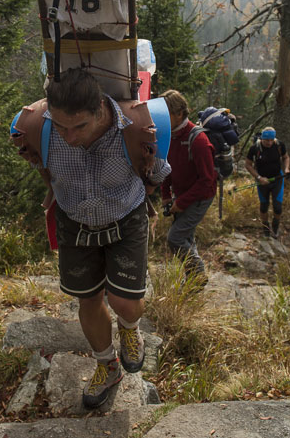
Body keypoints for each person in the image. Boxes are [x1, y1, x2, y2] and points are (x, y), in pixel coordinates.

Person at [39, 69, 171, 408]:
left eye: (79, 126)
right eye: (61, 126)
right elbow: (40, 167)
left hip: (125, 218)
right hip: (74, 222)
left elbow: (156, 172)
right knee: (88, 299)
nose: (68, 137)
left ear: (100, 109)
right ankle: (107, 364)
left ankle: (129, 328)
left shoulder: (137, 130)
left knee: (124, 301)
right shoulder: (40, 130)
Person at [159, 90, 217, 284]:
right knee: (186, 237)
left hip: (201, 197)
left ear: (179, 114)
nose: (162, 119)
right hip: (183, 194)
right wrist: (166, 195)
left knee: (175, 238)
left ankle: (198, 273)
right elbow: (166, 166)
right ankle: (192, 282)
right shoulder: (170, 136)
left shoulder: (198, 141)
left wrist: (181, 203)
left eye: (166, 114)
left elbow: (207, 180)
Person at [245, 127, 290, 239]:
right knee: (264, 206)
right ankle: (265, 228)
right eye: (267, 140)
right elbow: (248, 165)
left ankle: (275, 226)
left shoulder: (279, 145)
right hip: (262, 181)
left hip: (277, 179)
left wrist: (287, 169)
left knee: (277, 207)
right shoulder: (255, 148)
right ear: (262, 139)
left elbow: (286, 157)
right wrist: (259, 177)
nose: (269, 143)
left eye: (271, 140)